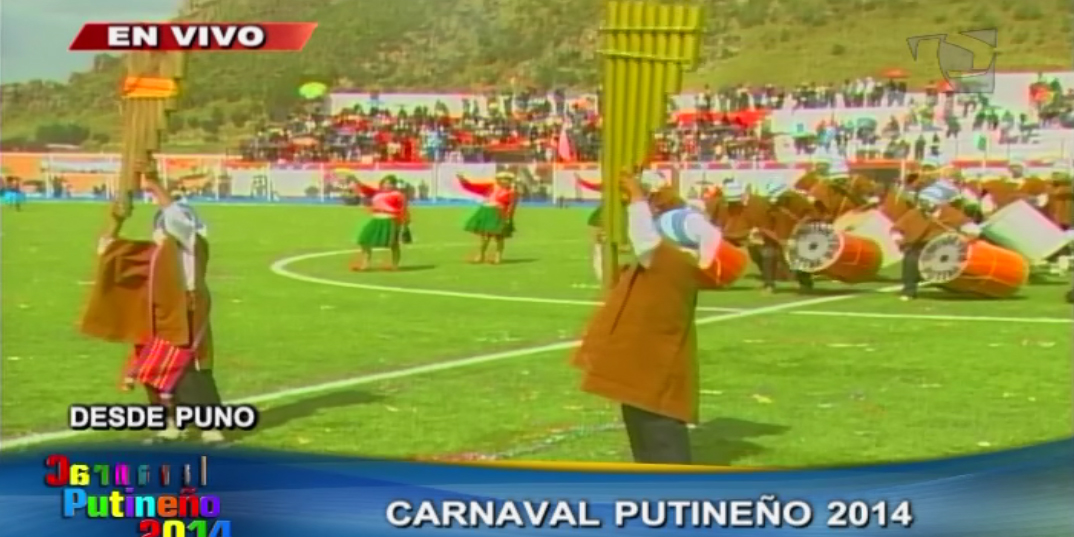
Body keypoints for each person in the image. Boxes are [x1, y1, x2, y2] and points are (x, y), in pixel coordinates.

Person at [571, 169, 713, 464]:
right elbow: (613, 280)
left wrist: (636, 197)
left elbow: (645, 241)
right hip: (642, 362)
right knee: (642, 429)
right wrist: (601, 247)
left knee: (660, 432)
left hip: (656, 365)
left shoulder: (675, 264)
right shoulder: (663, 265)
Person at [80, 179, 225, 444]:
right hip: (154, 315)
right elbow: (107, 249)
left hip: (187, 313)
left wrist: (155, 185)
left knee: (190, 368)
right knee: (155, 367)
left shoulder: (193, 247)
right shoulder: (151, 254)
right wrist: (117, 220)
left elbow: (179, 222)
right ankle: (169, 426)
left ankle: (210, 428)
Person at [890, 182, 979, 301]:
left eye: (926, 201)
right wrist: (899, 239)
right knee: (911, 257)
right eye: (922, 201)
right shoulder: (915, 213)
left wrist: (966, 237)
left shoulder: (951, 213)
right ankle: (909, 290)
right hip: (921, 246)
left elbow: (973, 229)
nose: (923, 204)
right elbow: (897, 229)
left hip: (946, 247)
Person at [351, 175, 410, 271]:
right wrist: (356, 180)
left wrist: (404, 224)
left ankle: (395, 266)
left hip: (390, 220)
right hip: (376, 219)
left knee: (393, 244)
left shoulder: (398, 195)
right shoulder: (377, 192)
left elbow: (403, 210)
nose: (387, 185)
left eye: (390, 183)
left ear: (394, 185)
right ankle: (365, 265)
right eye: (385, 183)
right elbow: (365, 189)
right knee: (364, 239)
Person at [458, 171, 518, 264]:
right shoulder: (491, 187)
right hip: (487, 212)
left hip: (499, 213)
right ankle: (480, 256)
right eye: (502, 179)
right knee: (485, 237)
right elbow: (474, 187)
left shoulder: (511, 191)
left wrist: (508, 217)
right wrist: (463, 180)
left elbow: (512, 206)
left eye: (507, 179)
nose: (505, 181)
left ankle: (498, 257)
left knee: (499, 237)